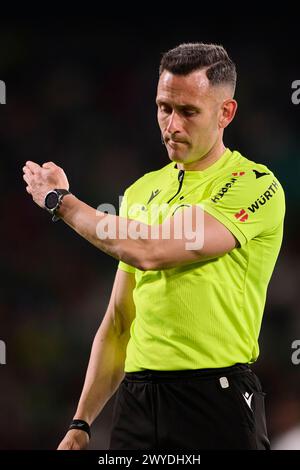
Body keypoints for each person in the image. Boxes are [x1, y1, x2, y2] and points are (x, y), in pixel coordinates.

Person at [22, 43, 285, 450]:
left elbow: (152, 250)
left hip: (216, 398)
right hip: (138, 401)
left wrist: (62, 203)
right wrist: (81, 422)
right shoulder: (142, 190)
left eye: (189, 112)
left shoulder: (255, 184)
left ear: (225, 113)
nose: (172, 125)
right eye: (164, 107)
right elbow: (120, 321)